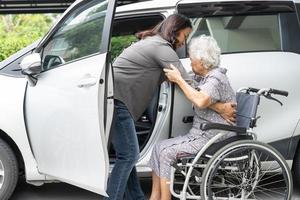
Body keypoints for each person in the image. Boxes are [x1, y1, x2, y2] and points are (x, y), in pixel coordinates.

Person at [107, 14, 235, 200]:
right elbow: (188, 82)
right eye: (185, 35)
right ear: (175, 32)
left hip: (115, 99)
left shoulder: (152, 42)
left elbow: (187, 82)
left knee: (127, 155)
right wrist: (220, 108)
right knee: (128, 156)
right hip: (120, 101)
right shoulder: (162, 49)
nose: (184, 42)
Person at [148, 35, 236, 200]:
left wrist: (179, 80)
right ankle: (155, 196)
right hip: (202, 134)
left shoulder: (216, 78)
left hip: (213, 136)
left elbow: (201, 100)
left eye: (191, 59)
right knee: (158, 148)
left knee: (166, 153)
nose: (190, 62)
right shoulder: (203, 77)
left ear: (201, 61)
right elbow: (194, 90)